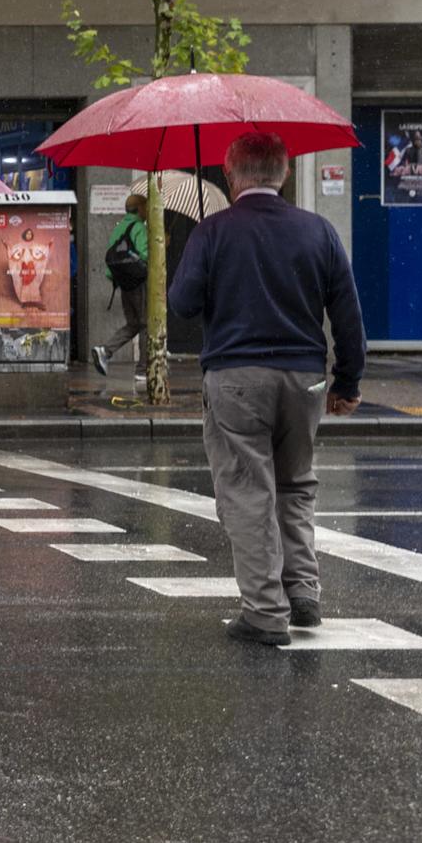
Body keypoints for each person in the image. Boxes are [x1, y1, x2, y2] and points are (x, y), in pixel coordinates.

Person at [169, 132, 366, 647]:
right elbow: (348, 317)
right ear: (283, 173)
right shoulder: (319, 231)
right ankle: (303, 593)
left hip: (235, 378)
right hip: (305, 378)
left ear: (231, 175)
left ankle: (264, 612)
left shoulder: (213, 232)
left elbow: (183, 305)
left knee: (247, 490)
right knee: (297, 483)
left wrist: (203, 260)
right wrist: (346, 383)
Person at [93, 193, 150, 383]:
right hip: (140, 283)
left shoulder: (119, 227)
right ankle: (143, 369)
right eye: (147, 207)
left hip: (124, 284)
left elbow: (111, 258)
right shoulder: (139, 227)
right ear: (140, 208)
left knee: (134, 323)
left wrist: (119, 279)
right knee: (146, 325)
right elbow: (145, 255)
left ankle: (105, 351)